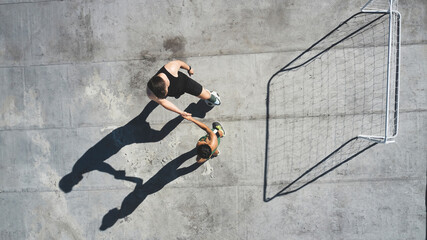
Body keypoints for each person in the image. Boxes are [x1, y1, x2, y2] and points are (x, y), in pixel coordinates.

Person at [147, 60, 221, 118]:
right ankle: (177, 94)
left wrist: (189, 68)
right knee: (175, 94)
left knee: (206, 96)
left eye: (165, 93)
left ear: (166, 84)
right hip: (175, 91)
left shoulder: (170, 68)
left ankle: (210, 95)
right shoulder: (151, 93)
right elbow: (163, 102)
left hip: (185, 83)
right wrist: (180, 112)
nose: (164, 97)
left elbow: (179, 63)